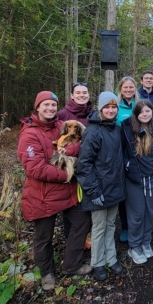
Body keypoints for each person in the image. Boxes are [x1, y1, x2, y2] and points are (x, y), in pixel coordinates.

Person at [17, 91, 92, 290]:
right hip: (43, 195)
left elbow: (79, 145)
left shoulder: (62, 126)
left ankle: (71, 264)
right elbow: (35, 168)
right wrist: (66, 175)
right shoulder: (30, 133)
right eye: (46, 105)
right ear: (38, 107)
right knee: (44, 237)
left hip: (67, 192)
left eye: (53, 105)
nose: (50, 109)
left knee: (83, 221)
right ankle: (47, 273)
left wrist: (66, 152)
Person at [77, 91, 125, 281]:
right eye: (107, 107)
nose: (111, 110)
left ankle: (111, 257)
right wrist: (93, 190)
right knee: (99, 226)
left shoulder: (116, 129)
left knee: (111, 224)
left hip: (114, 187)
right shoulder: (92, 132)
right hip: (98, 189)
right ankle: (97, 262)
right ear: (100, 108)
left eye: (114, 107)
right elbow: (84, 165)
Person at [121, 100, 153, 264]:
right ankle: (134, 245)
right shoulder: (127, 130)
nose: (145, 114)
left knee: (150, 212)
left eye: (148, 111)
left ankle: (145, 241)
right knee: (137, 213)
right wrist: (127, 165)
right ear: (136, 114)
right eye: (141, 112)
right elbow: (119, 152)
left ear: (152, 112)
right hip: (135, 178)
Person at [57, 81, 95, 245]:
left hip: (89, 167)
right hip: (68, 167)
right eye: (78, 93)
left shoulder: (93, 114)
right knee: (71, 205)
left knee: (88, 204)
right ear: (72, 96)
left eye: (84, 93)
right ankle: (71, 242)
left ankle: (88, 238)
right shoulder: (62, 115)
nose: (82, 95)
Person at [115, 76, 138, 243]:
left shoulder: (140, 105)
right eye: (125, 87)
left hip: (139, 153)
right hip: (121, 152)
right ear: (121, 89)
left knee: (136, 191)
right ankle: (125, 226)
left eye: (131, 87)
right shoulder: (115, 106)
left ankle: (137, 225)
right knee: (123, 191)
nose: (128, 90)